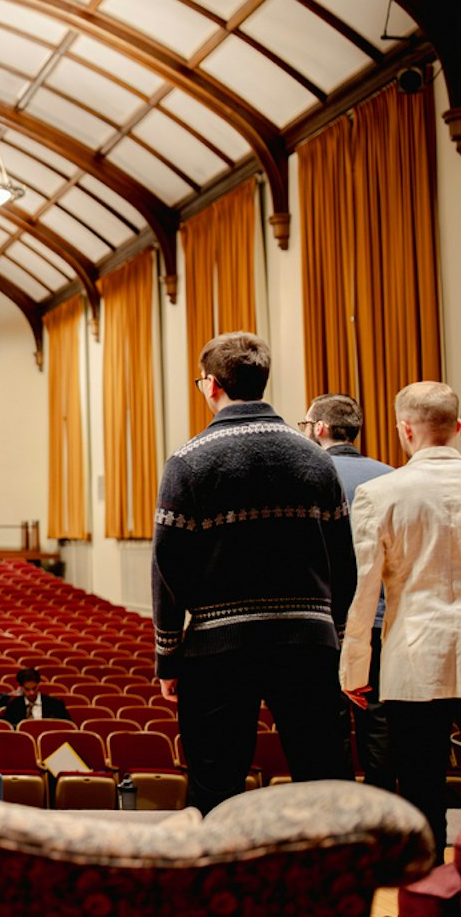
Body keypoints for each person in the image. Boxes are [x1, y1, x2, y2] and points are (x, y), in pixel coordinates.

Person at [151, 332, 355, 814]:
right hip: (307, 642)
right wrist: (337, 636)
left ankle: (221, 883)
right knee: (323, 775)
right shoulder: (315, 459)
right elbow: (343, 560)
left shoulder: (188, 461)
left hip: (219, 649)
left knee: (216, 781)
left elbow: (168, 565)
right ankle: (328, 882)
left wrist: (168, 653)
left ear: (213, 385)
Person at [341, 382, 461, 845]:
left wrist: (355, 667)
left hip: (413, 660)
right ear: (457, 427)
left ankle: (426, 893)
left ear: (403, 430)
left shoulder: (380, 494)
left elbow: (365, 589)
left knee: (420, 789)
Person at [301, 392, 394, 791]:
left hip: (323, 622)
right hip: (381, 620)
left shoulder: (304, 476)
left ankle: (338, 816)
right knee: (379, 720)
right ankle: (381, 809)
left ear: (319, 429)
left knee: (325, 722)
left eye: (305, 425)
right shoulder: (392, 476)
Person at [0, 667, 72, 725]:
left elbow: (67, 726)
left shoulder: (56, 704)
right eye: (27, 689)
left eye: (34, 688)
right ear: (20, 687)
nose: (31, 693)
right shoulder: (13, 705)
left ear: (38, 685)